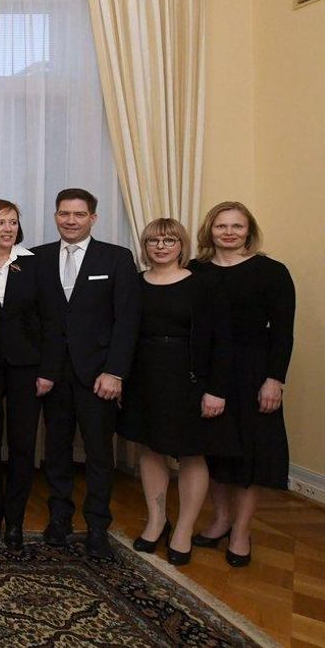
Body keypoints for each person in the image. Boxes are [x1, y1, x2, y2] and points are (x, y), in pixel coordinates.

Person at [118, 218, 236, 565]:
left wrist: (216, 390)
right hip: (144, 377)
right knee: (151, 449)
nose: (161, 246)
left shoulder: (204, 286)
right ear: (145, 245)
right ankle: (157, 521)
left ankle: (184, 528)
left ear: (181, 245)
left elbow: (222, 342)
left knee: (191, 453)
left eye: (169, 240)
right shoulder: (135, 284)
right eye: (154, 240)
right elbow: (123, 333)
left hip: (190, 379)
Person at [34, 188, 140, 559]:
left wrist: (115, 372)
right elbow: (36, 320)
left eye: (79, 215)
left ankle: (97, 525)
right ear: (55, 216)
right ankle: (59, 518)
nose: (71, 220)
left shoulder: (116, 258)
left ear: (93, 218)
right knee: (57, 451)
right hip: (53, 376)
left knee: (98, 454)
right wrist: (42, 369)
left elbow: (126, 321)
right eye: (64, 214)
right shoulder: (37, 257)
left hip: (98, 376)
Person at [188, 202, 295, 568]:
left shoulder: (272, 272)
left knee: (251, 454)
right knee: (215, 450)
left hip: (253, 373)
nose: (229, 232)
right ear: (210, 230)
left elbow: (283, 333)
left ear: (249, 231)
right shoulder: (195, 270)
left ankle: (241, 531)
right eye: (221, 226)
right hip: (209, 373)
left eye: (237, 226)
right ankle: (219, 520)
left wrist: (274, 380)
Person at [0, 199, 43, 551]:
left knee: (22, 444)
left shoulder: (33, 264)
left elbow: (49, 320)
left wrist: (47, 370)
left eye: (13, 222)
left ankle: (14, 520)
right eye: (0, 222)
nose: (7, 228)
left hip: (25, 368)